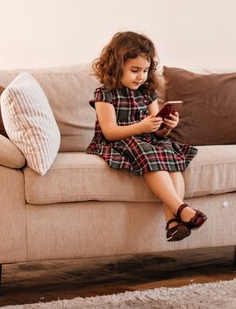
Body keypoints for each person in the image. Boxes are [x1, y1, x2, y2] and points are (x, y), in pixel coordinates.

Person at [86, 31, 207, 242]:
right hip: (119, 141)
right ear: (116, 65)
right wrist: (141, 127)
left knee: (171, 158)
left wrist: (167, 126)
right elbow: (109, 131)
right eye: (134, 70)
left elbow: (157, 129)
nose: (140, 76)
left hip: (146, 139)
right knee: (149, 154)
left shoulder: (147, 92)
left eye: (144, 70)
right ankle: (181, 209)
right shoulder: (104, 94)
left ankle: (173, 222)